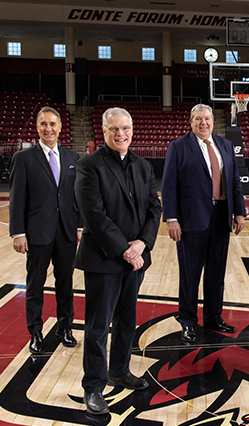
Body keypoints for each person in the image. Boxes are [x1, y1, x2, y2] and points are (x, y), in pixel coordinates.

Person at [74, 107, 162, 415]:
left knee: (127, 321)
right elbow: (93, 215)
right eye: (114, 129)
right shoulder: (88, 165)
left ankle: (120, 371)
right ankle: (93, 387)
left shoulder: (142, 166)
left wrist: (142, 244)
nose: (120, 134)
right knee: (98, 326)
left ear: (132, 130)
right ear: (103, 131)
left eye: (125, 128)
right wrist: (125, 248)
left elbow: (154, 209)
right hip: (104, 259)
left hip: (135, 259)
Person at [161, 104, 246, 344]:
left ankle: (213, 316)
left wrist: (239, 212)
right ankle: (188, 322)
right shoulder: (178, 147)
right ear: (191, 122)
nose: (203, 123)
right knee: (190, 275)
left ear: (213, 121)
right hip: (190, 221)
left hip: (221, 218)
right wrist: (172, 218)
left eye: (207, 118)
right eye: (198, 119)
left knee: (216, 273)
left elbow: (235, 182)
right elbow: (168, 185)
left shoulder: (225, 146)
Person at [9, 106, 80, 355]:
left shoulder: (73, 158)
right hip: (37, 232)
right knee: (35, 284)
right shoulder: (23, 158)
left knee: (65, 284)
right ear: (37, 128)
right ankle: (35, 332)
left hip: (67, 233)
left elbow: (78, 196)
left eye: (52, 124)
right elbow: (17, 198)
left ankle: (65, 327)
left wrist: (80, 225)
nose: (48, 128)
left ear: (60, 127)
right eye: (43, 124)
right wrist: (18, 232)